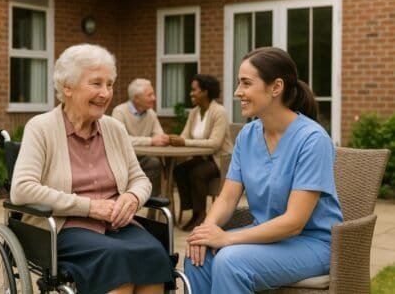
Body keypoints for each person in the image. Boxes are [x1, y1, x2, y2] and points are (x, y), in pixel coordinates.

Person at [10, 44, 173, 294]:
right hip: (64, 226)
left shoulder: (114, 129)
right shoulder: (40, 128)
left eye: (109, 84)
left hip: (116, 223)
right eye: (96, 84)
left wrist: (132, 196)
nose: (106, 93)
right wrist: (90, 207)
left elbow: (139, 178)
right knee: (116, 260)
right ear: (67, 87)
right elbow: (21, 190)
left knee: (152, 252)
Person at [184, 47, 344, 293]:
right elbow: (227, 198)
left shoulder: (313, 140)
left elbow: (294, 222)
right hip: (264, 236)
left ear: (276, 88)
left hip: (312, 243)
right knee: (198, 258)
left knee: (230, 262)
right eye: (239, 83)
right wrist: (207, 229)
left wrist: (226, 238)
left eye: (246, 83)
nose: (238, 92)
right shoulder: (247, 135)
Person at [170, 74, 233, 231]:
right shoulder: (194, 112)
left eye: (194, 90)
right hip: (202, 159)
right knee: (179, 170)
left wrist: (184, 142)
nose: (191, 93)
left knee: (197, 172)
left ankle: (201, 215)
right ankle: (194, 212)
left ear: (205, 91)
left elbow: (214, 144)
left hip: (219, 160)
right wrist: (174, 139)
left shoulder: (219, 112)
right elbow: (185, 136)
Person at [112, 78, 169, 203]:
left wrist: (162, 138)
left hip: (143, 158)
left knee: (155, 164)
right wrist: (151, 141)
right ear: (136, 98)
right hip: (123, 160)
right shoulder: (119, 112)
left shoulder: (151, 114)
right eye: (150, 95)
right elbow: (122, 140)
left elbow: (158, 134)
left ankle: (153, 205)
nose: (154, 98)